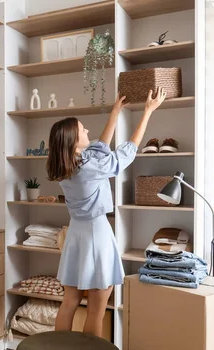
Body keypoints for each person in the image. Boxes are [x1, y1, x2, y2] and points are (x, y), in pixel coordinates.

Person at [46, 88, 167, 336]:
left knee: (69, 303)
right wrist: (147, 112)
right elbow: (128, 151)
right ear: (73, 140)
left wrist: (115, 114)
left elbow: (100, 146)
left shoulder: (69, 165)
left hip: (76, 234)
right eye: (82, 130)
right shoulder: (90, 168)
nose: (87, 131)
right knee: (96, 310)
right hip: (96, 236)